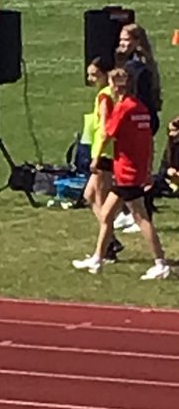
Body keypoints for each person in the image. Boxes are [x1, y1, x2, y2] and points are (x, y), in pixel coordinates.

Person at [72, 67, 169, 280]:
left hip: (126, 171)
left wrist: (97, 158)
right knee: (106, 215)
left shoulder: (123, 108)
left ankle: (160, 261)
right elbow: (148, 142)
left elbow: (108, 133)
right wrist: (148, 170)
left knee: (141, 217)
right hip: (133, 169)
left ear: (119, 87)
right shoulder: (141, 108)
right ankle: (98, 257)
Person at [80, 58, 121, 259]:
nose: (91, 79)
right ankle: (111, 240)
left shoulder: (105, 96)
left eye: (95, 75)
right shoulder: (109, 94)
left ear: (106, 74)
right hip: (103, 151)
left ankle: (108, 247)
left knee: (101, 200)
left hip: (104, 154)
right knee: (88, 196)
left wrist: (96, 156)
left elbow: (105, 128)